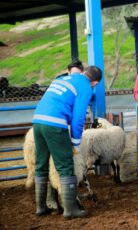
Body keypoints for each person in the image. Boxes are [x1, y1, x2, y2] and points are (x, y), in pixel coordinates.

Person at [32, 65, 102, 220]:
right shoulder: (86, 87)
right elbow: (78, 118)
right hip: (55, 123)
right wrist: (76, 144)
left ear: (84, 73)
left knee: (41, 163)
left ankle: (41, 207)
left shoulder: (63, 78)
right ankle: (70, 210)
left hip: (37, 121)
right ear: (95, 83)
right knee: (65, 166)